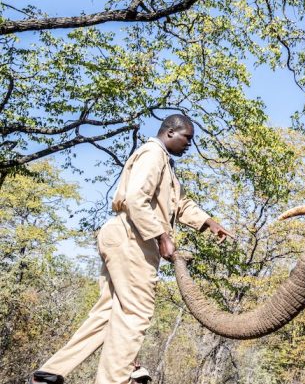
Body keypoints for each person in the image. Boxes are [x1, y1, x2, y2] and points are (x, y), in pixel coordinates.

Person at [31, 114, 234, 384]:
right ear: (170, 132)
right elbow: (136, 198)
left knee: (109, 312)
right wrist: (162, 236)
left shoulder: (163, 162)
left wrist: (208, 222)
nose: (190, 144)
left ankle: (49, 374)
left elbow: (180, 203)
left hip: (122, 235)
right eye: (187, 137)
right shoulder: (153, 154)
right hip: (133, 238)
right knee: (134, 314)